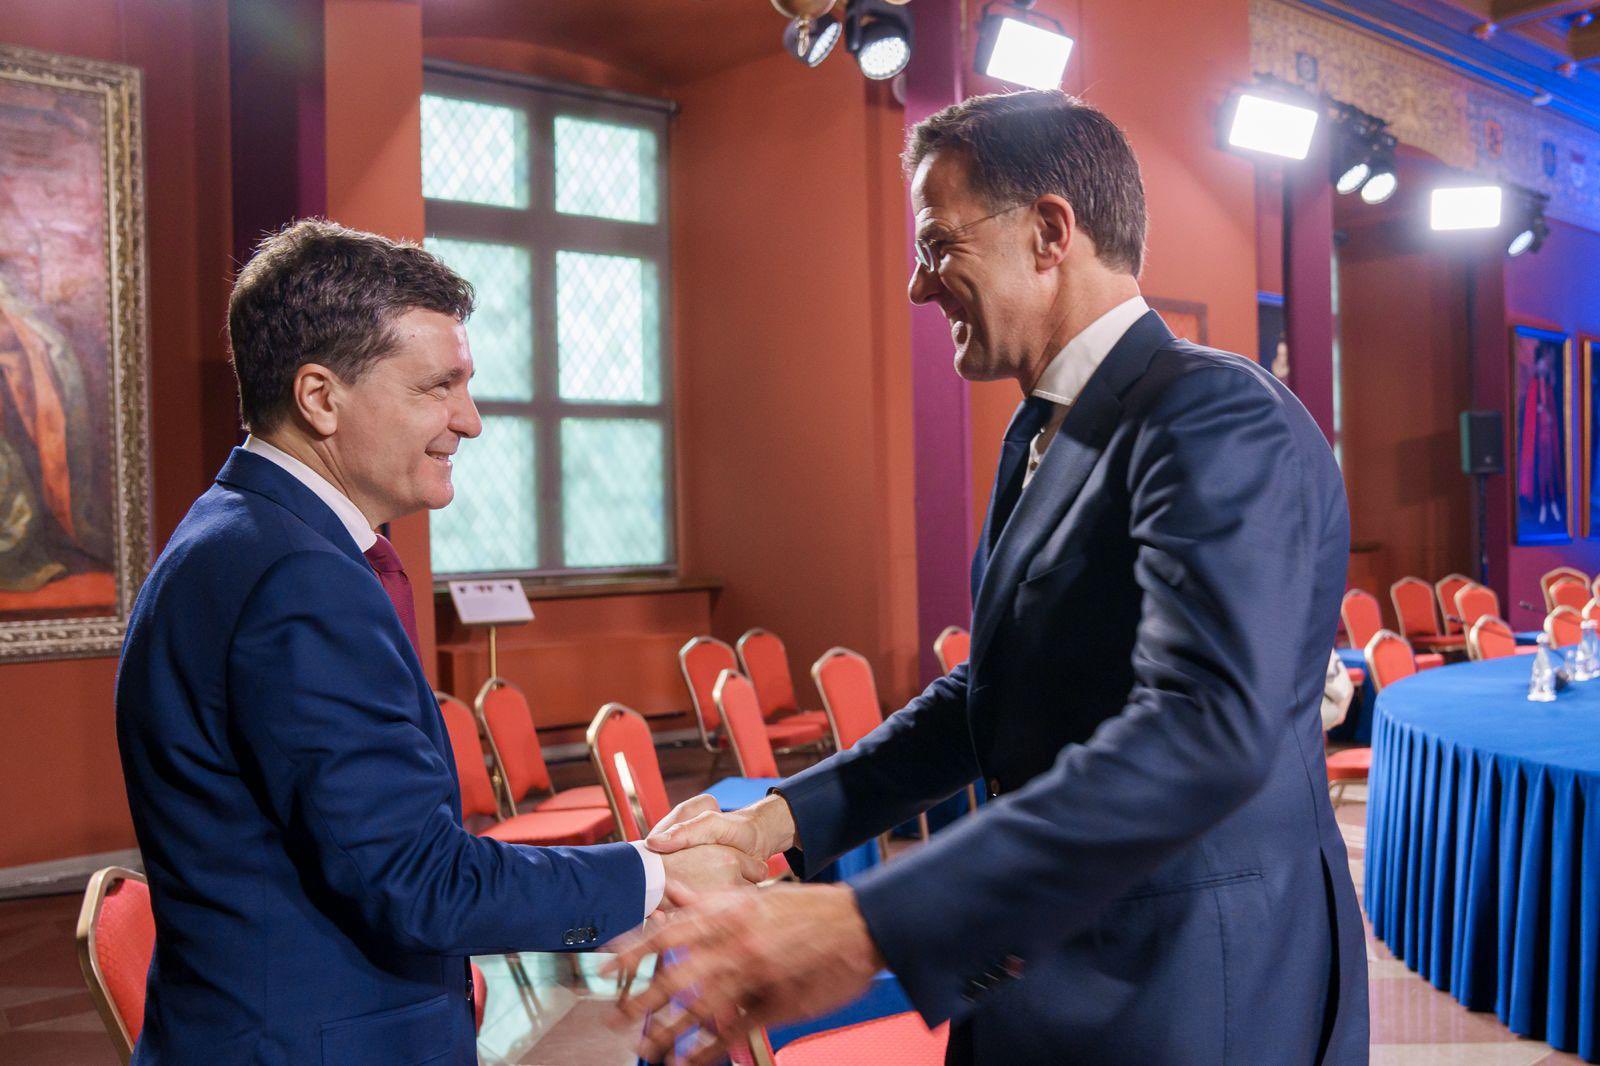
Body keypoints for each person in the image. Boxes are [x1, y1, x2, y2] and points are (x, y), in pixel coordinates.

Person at [609, 90, 1368, 1065]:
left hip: (1185, 989)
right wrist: (779, 820)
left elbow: (1206, 724)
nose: (918, 286)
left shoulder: (1215, 413)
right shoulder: (1040, 430)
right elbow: (999, 693)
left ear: (1050, 232)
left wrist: (865, 925)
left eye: (937, 244)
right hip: (1050, 965)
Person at [114, 219, 763, 1065]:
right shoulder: (297, 578)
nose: (471, 420)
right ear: (320, 398)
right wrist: (656, 874)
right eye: (438, 387)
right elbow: (414, 880)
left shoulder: (239, 535)